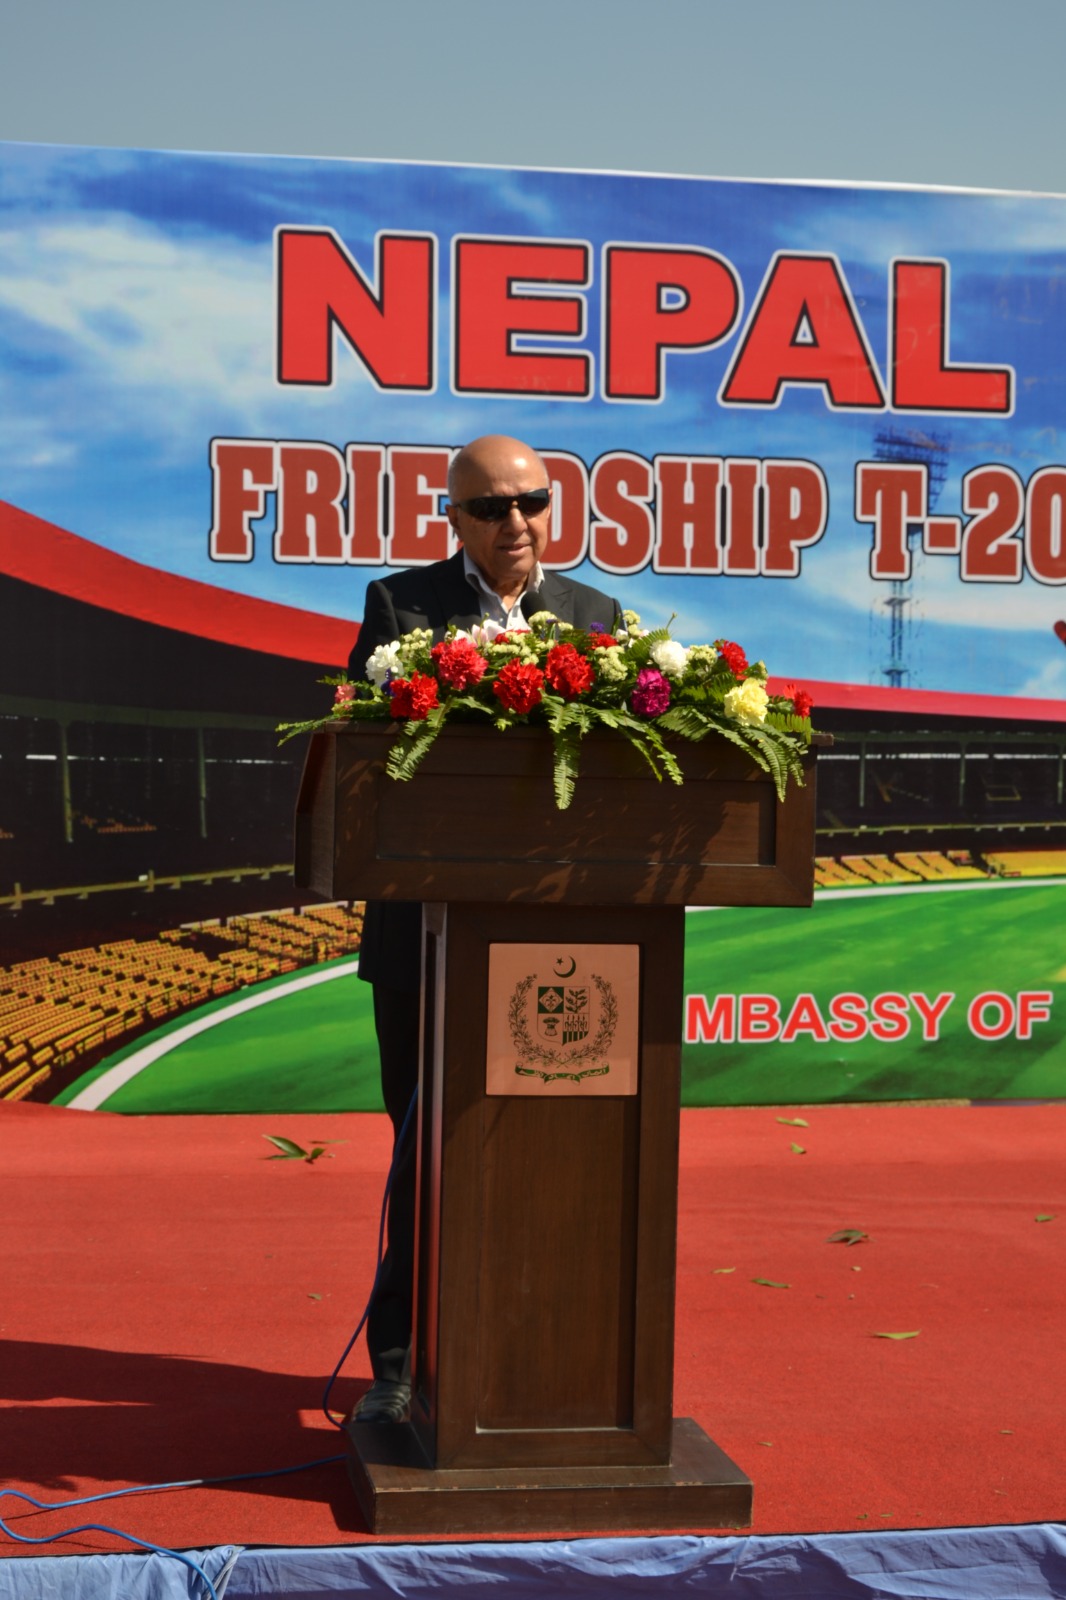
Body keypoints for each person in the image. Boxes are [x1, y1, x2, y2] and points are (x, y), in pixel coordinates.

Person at [347, 434, 621, 1423]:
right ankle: (400, 1364)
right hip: (422, 935)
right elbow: (372, 752)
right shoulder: (400, 606)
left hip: (557, 941)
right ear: (453, 518)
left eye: (532, 502)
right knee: (424, 1156)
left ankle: (542, 1362)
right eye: (492, 507)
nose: (517, 523)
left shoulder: (596, 617)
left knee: (554, 1161)